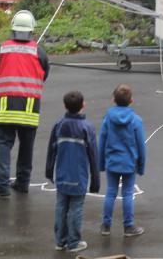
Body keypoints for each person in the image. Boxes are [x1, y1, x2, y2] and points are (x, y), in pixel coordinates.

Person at [0, 10, 50, 199]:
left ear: (13, 30)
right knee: (26, 147)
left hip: (6, 107)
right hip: (30, 109)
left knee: (4, 146)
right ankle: (22, 182)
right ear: (31, 31)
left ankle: (1, 186)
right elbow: (45, 73)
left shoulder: (2, 48)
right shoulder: (39, 51)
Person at [45, 91, 100, 253]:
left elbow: (51, 150)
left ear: (64, 106)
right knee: (76, 208)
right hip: (79, 177)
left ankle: (60, 241)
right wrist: (95, 181)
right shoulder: (87, 127)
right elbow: (93, 156)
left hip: (61, 175)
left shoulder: (59, 125)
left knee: (61, 206)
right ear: (83, 105)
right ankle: (74, 242)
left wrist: (49, 171)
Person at [98, 84, 146, 237]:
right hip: (129, 163)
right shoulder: (136, 121)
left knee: (110, 193)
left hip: (112, 162)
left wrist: (100, 163)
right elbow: (141, 146)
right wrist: (141, 166)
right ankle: (128, 226)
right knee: (127, 194)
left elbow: (102, 141)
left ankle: (106, 226)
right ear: (131, 100)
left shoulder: (108, 119)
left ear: (114, 100)